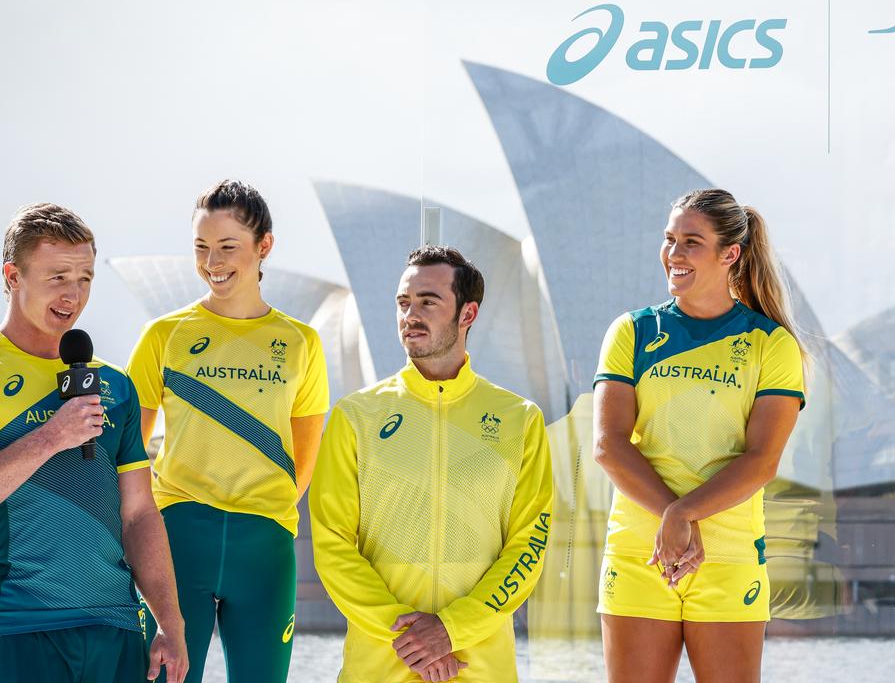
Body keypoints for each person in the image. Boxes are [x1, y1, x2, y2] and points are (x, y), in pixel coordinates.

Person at [311, 245, 553, 683]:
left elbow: (528, 548)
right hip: (379, 666)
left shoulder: (520, 419)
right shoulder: (355, 417)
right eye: (404, 303)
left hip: (478, 666)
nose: (410, 315)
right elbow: (333, 546)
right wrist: (413, 639)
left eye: (428, 301)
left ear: (468, 313)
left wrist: (451, 630)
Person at [593, 188, 806, 683]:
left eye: (692, 241)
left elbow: (762, 459)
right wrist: (671, 520)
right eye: (670, 239)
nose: (675, 253)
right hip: (638, 550)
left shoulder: (771, 344)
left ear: (730, 253)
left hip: (729, 555)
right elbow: (609, 445)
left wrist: (683, 515)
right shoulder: (633, 331)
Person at [0, 204, 187, 682]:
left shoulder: (115, 384)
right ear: (13, 275)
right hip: (13, 629)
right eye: (58, 276)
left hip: (117, 631)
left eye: (85, 277)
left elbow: (140, 513)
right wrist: (50, 437)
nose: (74, 294)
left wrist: (170, 622)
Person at [126, 180, 329, 682]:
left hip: (265, 548)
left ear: (264, 246)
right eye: (201, 247)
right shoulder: (164, 336)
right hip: (177, 540)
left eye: (227, 247)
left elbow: (304, 460)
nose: (212, 261)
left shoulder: (301, 343)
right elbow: (126, 452)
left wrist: (260, 516)